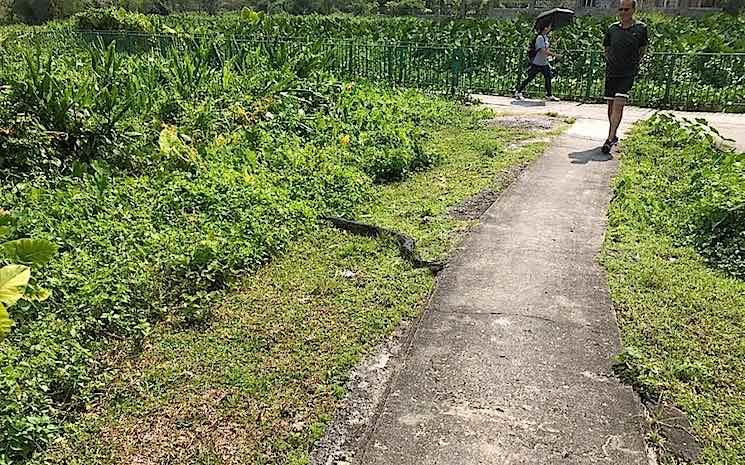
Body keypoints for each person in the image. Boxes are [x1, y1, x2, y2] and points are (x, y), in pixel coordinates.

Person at [601, 0, 648, 154]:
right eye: (620, 9)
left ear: (633, 10)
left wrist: (632, 64)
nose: (623, 12)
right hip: (612, 71)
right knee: (611, 106)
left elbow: (642, 49)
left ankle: (609, 138)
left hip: (627, 73)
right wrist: (612, 61)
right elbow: (606, 47)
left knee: (618, 105)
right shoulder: (612, 28)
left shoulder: (641, 28)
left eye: (626, 9)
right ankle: (613, 134)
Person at [515, 22, 560, 102]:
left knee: (548, 77)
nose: (550, 28)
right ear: (545, 28)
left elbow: (546, 49)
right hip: (537, 62)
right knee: (530, 77)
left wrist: (550, 54)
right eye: (549, 26)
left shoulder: (545, 37)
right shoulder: (539, 38)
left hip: (544, 62)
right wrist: (555, 55)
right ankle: (518, 92)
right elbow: (541, 50)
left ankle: (549, 95)